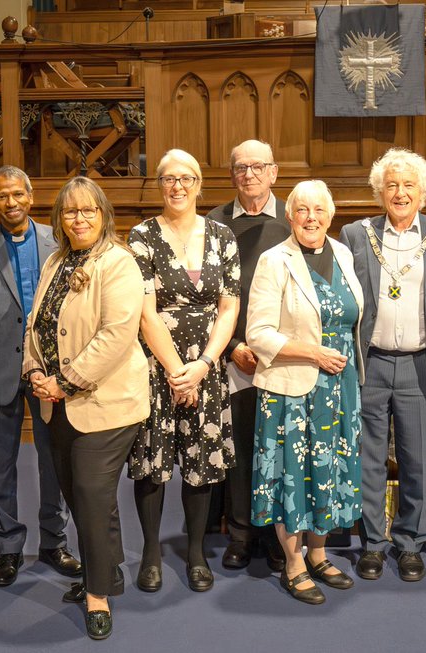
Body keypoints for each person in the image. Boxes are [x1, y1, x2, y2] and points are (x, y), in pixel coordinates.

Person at [23, 176, 148, 640]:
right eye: (70, 212)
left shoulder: (119, 263)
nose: (79, 219)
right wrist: (34, 370)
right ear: (59, 219)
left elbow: (116, 335)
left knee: (93, 499)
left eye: (88, 211)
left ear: (103, 215)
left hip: (105, 404)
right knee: (79, 496)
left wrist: (63, 381)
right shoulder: (56, 260)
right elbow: (38, 321)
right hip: (57, 402)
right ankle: (108, 571)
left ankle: (98, 594)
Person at [339, 148, 426, 582]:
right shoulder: (356, 234)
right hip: (369, 364)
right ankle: (372, 543)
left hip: (421, 365)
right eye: (391, 184)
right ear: (379, 191)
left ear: (424, 191)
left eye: (409, 184)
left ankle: (410, 543)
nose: (400, 192)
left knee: (416, 460)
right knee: (368, 459)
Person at [0, 165, 81, 588]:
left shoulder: (58, 241)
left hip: (50, 372)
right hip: (1, 373)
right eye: (1, 196)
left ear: (31, 197)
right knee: (3, 465)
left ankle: (54, 541)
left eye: (17, 194)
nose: (10, 203)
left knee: (54, 460)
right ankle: (9, 547)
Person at [127, 149, 240, 593]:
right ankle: (151, 554)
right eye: (168, 179)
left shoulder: (223, 236)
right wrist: (178, 372)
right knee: (152, 463)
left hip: (206, 366)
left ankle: (195, 553)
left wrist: (204, 365)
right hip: (158, 368)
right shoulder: (141, 236)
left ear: (198, 185)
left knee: (201, 461)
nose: (177, 186)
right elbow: (144, 311)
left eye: (186, 178)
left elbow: (229, 306)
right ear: (159, 186)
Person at [248, 179, 364, 604]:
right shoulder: (274, 261)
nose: (311, 218)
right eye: (302, 210)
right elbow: (258, 333)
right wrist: (313, 353)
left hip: (340, 387)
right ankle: (293, 563)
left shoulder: (345, 253)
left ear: (331, 215)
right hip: (292, 389)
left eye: (319, 210)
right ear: (289, 216)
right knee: (294, 475)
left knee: (328, 471)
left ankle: (318, 553)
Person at [204, 139, 291, 572]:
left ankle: (276, 536)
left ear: (274, 172)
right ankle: (239, 534)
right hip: (233, 355)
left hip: (283, 356)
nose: (250, 175)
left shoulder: (296, 219)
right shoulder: (213, 224)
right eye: (241, 167)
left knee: (277, 445)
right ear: (232, 174)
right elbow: (207, 296)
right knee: (238, 446)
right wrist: (235, 345)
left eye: (259, 167)